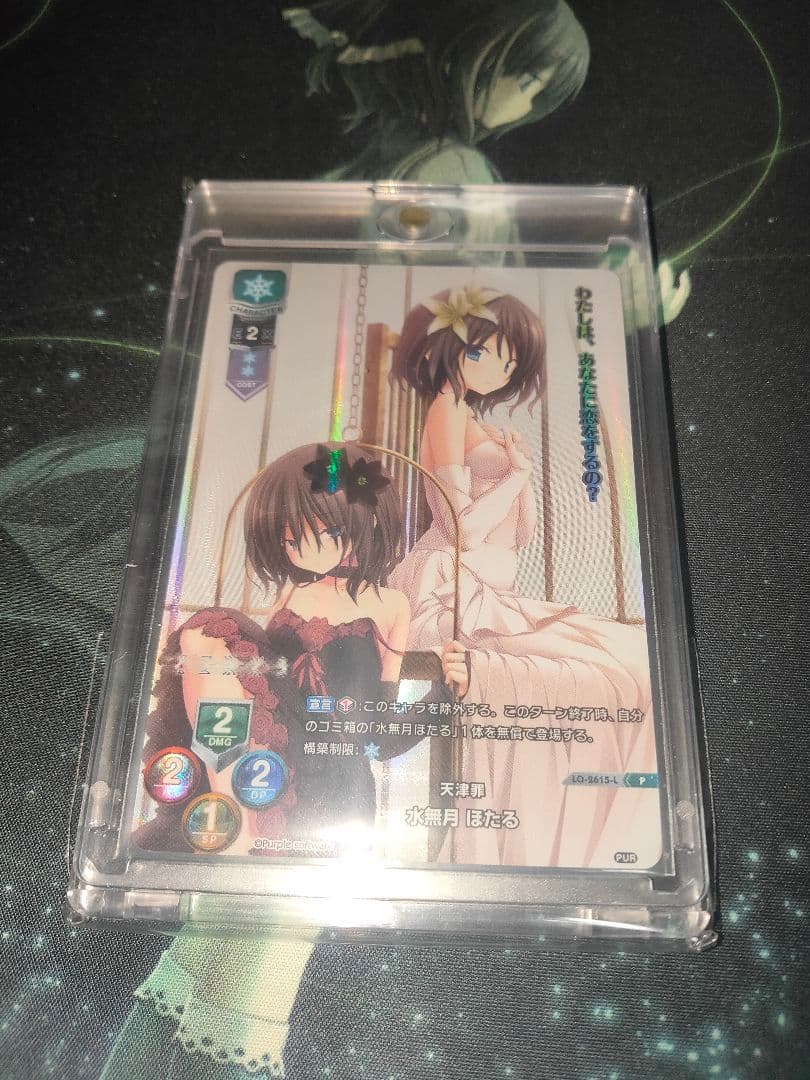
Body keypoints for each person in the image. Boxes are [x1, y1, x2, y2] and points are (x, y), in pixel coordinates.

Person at [104, 442, 417, 1078]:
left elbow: (379, 735)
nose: (297, 546)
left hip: (336, 797)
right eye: (288, 534)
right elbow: (262, 693)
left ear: (357, 522)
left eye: (312, 530)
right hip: (271, 774)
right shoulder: (289, 600)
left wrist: (447, 699)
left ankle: (215, 1062)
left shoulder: (390, 606)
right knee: (211, 937)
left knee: (270, 960)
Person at [388, 285, 659, 869]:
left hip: (491, 593)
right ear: (452, 347)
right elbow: (457, 527)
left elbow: (521, 533)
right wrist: (514, 477)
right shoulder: (445, 410)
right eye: (489, 355)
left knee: (636, 662)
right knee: (619, 670)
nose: (502, 372)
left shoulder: (472, 416)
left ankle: (597, 839)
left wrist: (521, 475)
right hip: (449, 590)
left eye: (512, 365)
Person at [282, 0, 590, 184]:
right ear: (488, 52)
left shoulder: (395, 136)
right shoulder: (459, 170)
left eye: (539, 95)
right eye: (529, 83)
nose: (526, 107)